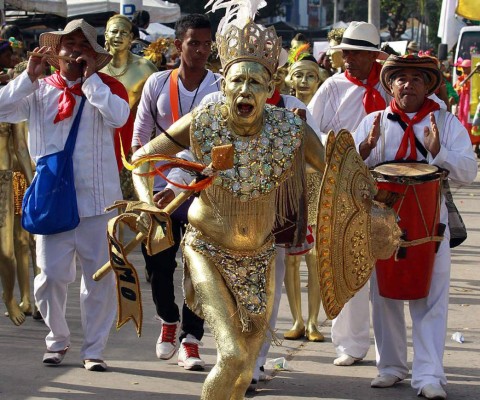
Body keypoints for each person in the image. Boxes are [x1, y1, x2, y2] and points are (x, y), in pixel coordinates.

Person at [131, 3, 326, 398]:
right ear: (224, 85)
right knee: (234, 355)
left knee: (244, 368)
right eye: (238, 80)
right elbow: (141, 161)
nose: (245, 91)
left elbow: (333, 173)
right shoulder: (204, 120)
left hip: (260, 254)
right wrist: (146, 204)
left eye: (256, 83)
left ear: (271, 90)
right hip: (208, 248)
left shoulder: (291, 128)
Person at [0, 19, 130, 370]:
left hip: (98, 203)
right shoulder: (38, 90)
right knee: (51, 278)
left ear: (92, 54)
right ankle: (57, 339)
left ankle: (94, 350)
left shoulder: (108, 87)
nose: (74, 50)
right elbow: (1, 107)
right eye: (68, 44)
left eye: (82, 45)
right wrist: (28, 75)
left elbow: (119, 118)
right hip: (52, 203)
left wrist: (91, 83)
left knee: (98, 280)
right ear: (55, 52)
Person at [354, 54, 477, 400]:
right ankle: (390, 367)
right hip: (382, 221)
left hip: (430, 223)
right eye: (401, 78)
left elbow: (469, 171)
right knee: (384, 296)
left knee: (431, 299)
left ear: (429, 86)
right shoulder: (373, 121)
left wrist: (441, 153)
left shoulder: (447, 122)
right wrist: (363, 149)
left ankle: (429, 375)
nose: (408, 84)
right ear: (391, 84)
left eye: (417, 79)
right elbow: (348, 171)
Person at [132, 13, 221, 371]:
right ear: (177, 44)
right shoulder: (156, 84)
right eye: (193, 43)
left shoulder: (220, 88)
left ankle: (191, 339)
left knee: (199, 268)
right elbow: (141, 141)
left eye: (206, 43)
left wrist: (177, 181)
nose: (201, 50)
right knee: (158, 265)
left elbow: (215, 144)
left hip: (205, 192)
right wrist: (145, 192)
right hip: (158, 194)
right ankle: (168, 320)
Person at [308, 21, 390, 366]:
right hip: (344, 187)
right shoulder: (332, 87)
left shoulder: (390, 88)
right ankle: (348, 345)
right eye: (345, 53)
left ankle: (390, 351)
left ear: (373, 56)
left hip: (385, 184)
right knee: (346, 260)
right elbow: (311, 130)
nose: (348, 59)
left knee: (385, 268)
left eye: (356, 53)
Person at [282, 46, 326, 342]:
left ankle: (313, 322)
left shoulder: (324, 106)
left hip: (317, 186)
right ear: (289, 79)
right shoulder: (283, 106)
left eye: (311, 76)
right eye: (299, 75)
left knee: (314, 256)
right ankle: (296, 319)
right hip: (290, 188)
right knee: (290, 258)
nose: (305, 81)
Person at [100, 14, 157, 198]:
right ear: (106, 35)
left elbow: (156, 109)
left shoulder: (145, 68)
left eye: (124, 32)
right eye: (114, 32)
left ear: (131, 38)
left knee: (132, 203)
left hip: (133, 145)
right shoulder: (94, 67)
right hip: (101, 144)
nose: (118, 36)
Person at [0, 39, 27, 325]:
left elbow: (20, 146)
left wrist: (34, 183)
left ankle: (10, 296)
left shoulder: (10, 101)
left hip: (5, 181)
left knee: (7, 249)